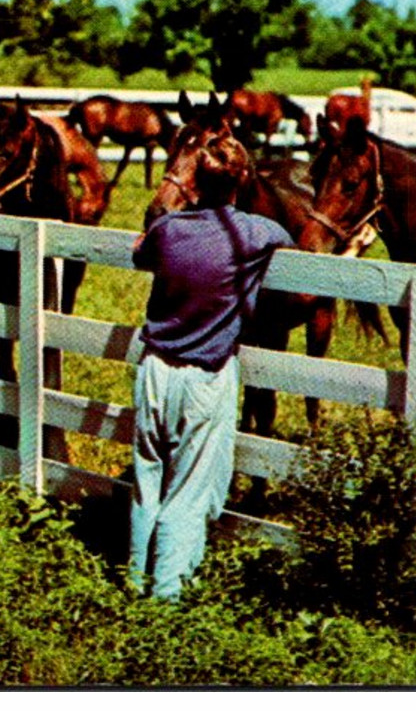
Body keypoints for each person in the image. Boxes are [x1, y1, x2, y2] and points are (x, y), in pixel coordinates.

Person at [128, 145, 292, 600]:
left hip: (154, 368)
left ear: (195, 182)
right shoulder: (256, 232)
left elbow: (140, 253)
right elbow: (291, 239)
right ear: (241, 182)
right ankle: (166, 599)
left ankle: (136, 581)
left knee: (147, 482)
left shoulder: (168, 230)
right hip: (204, 376)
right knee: (187, 491)